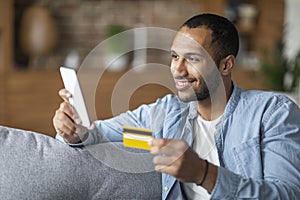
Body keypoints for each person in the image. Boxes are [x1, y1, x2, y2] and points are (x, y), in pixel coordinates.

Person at [53, 13, 300, 199]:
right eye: (174, 57)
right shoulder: (163, 115)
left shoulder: (271, 113)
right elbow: (101, 134)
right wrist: (75, 132)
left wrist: (204, 174)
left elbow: (287, 194)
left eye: (192, 58)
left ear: (225, 65)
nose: (178, 70)